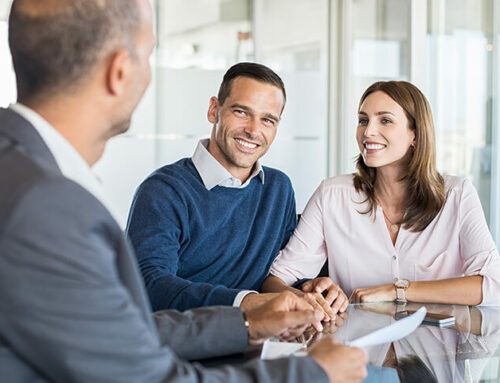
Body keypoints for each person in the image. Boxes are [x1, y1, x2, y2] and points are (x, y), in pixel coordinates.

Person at [0, 0, 370, 382]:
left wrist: (247, 323)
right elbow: (143, 372)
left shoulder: (24, 175)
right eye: (148, 56)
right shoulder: (46, 205)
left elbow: (120, 334)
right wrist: (311, 373)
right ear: (120, 71)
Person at [126, 61, 343, 319]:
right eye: (241, 112)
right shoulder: (164, 190)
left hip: (261, 342)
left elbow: (280, 275)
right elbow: (150, 286)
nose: (253, 130)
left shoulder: (278, 189)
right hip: (185, 346)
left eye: (267, 120)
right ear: (213, 110)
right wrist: (248, 302)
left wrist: (313, 287)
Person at [262, 80, 500, 307]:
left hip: (438, 345)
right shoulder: (331, 196)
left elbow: (493, 285)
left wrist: (397, 291)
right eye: (363, 120)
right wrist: (309, 302)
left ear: (415, 135)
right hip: (358, 345)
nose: (368, 132)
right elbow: (276, 280)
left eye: (385, 120)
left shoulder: (457, 195)